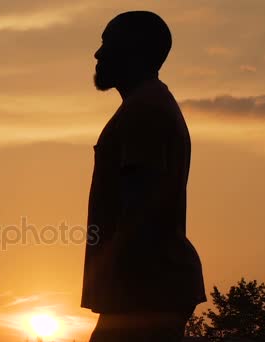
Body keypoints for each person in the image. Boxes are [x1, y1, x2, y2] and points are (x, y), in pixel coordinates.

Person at [81, 11, 207, 341]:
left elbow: (142, 203)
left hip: (144, 289)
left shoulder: (144, 110)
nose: (98, 53)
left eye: (107, 43)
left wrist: (114, 277)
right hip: (144, 287)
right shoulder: (148, 104)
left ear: (133, 50)